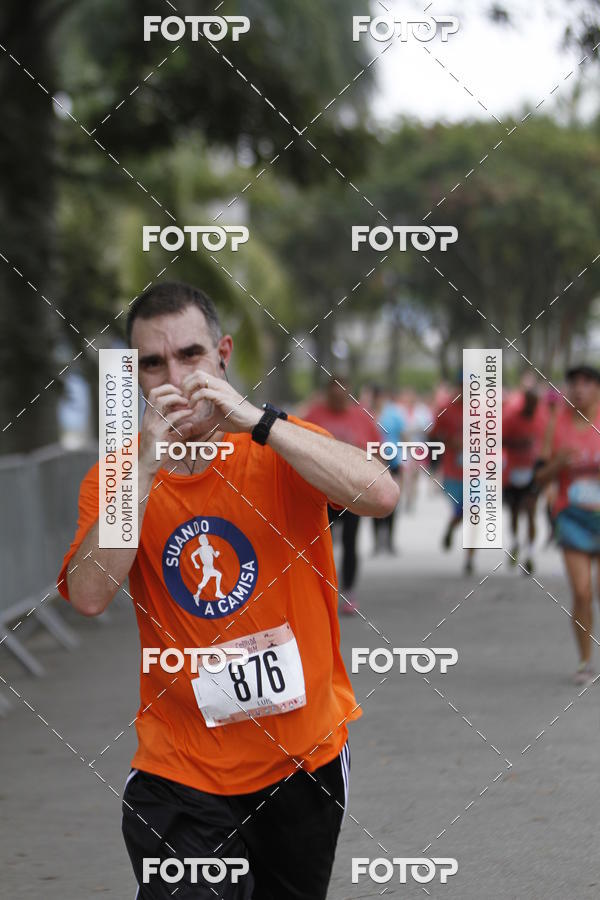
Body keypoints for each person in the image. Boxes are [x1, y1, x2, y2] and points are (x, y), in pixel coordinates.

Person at [57, 282, 399, 899]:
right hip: (181, 770)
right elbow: (87, 594)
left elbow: (381, 495)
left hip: (303, 760)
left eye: (190, 355)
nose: (174, 376)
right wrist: (142, 469)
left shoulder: (278, 446)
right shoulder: (116, 478)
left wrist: (258, 422)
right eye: (152, 363)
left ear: (223, 355)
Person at [536, 365, 600, 685]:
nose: (579, 389)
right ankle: (585, 661)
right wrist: (558, 463)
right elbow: (540, 476)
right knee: (582, 591)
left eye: (587, 383)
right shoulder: (557, 424)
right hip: (571, 517)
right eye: (573, 383)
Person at [303, 377, 382, 615]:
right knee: (316, 542)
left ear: (349, 394)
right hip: (320, 492)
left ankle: (348, 591)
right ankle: (315, 590)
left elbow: (376, 451)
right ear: (327, 393)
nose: (339, 398)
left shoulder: (362, 417)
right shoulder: (314, 415)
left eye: (344, 394)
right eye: (334, 394)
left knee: (350, 542)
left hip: (352, 493)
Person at [429, 377, 475, 574]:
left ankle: (470, 559)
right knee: (461, 510)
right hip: (453, 471)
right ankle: (451, 526)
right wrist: (450, 441)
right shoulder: (445, 409)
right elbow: (433, 436)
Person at [502, 381, 548, 575]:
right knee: (514, 512)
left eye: (536, 401)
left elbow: (548, 442)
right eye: (530, 401)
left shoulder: (542, 418)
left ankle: (529, 554)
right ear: (524, 400)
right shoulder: (512, 417)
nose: (533, 405)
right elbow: (499, 440)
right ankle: (514, 543)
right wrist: (519, 443)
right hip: (513, 470)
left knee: (530, 510)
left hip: (533, 471)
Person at [369, 384, 405, 553]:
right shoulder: (367, 413)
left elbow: (403, 435)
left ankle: (389, 541)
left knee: (392, 499)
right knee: (374, 499)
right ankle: (377, 541)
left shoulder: (393, 413)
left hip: (393, 460)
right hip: (373, 459)